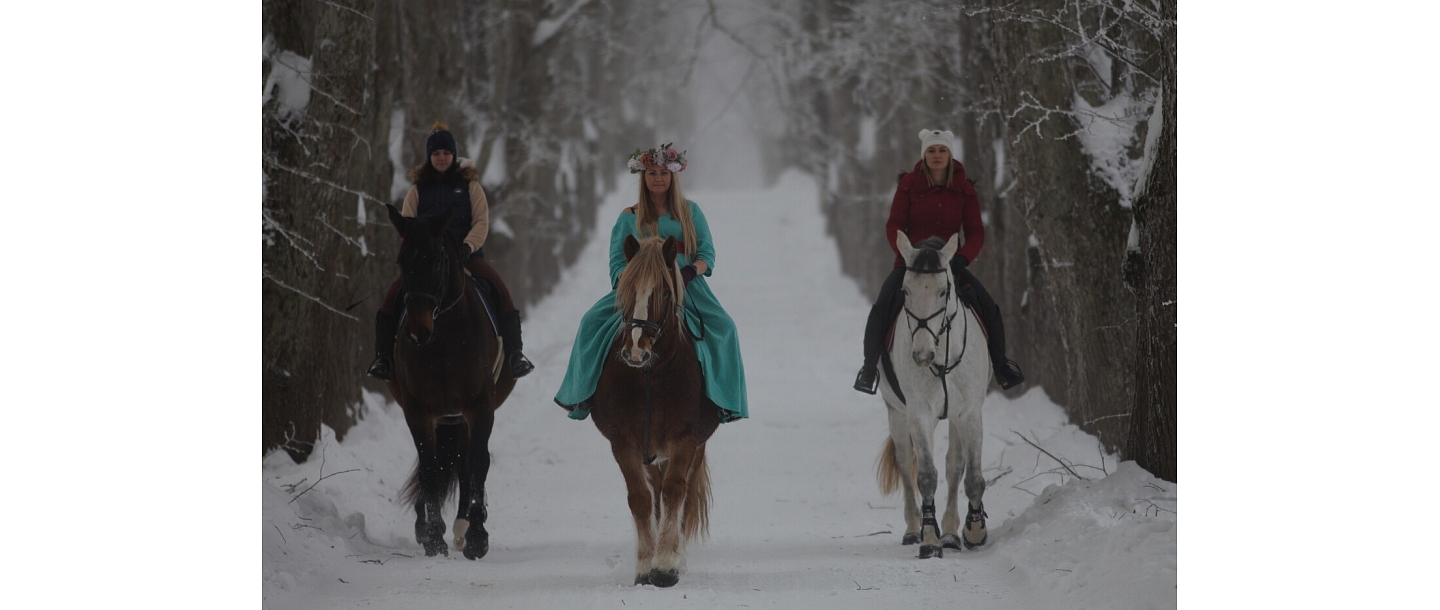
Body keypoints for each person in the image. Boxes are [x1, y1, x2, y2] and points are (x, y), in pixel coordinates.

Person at [554, 144, 747, 423]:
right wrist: (631, 280)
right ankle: (582, 394)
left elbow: (707, 254)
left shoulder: (690, 212)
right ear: (643, 177)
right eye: (652, 172)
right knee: (590, 322)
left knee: (725, 328)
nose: (658, 178)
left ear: (673, 176)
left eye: (664, 173)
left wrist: (690, 273)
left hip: (686, 288)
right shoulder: (629, 217)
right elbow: (617, 262)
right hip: (638, 290)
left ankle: (724, 402)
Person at [853, 129, 1025, 394]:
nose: (937, 156)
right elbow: (894, 225)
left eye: (942, 150)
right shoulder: (908, 185)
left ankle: (1001, 365)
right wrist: (906, 255)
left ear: (950, 154)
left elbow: (976, 231)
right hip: (911, 266)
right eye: (931, 151)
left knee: (988, 307)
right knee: (882, 308)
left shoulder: (965, 190)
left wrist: (963, 259)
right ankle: (868, 369)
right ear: (924, 155)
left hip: (949, 266)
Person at [366, 121, 534, 381]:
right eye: (436, 154)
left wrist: (468, 246)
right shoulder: (416, 191)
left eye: (445, 153)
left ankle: (515, 355)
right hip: (427, 262)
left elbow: (481, 220)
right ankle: (384, 358)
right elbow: (407, 226)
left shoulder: (470, 186)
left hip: (467, 256)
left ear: (453, 155)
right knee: (391, 299)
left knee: (501, 291)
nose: (441, 158)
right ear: (429, 157)